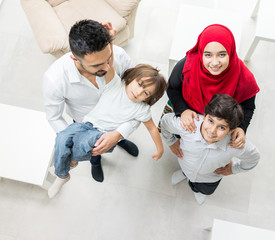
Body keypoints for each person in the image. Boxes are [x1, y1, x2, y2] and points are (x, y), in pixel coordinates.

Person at [48, 62, 167, 198]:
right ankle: (63, 173)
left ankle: (70, 165)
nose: (139, 92)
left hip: (103, 134)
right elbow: (109, 60)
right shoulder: (115, 83)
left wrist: (160, 149)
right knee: (62, 137)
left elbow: (152, 129)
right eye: (139, 84)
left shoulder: (142, 109)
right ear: (132, 77)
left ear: (149, 98)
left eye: (146, 93)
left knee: (88, 145)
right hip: (85, 124)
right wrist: (108, 41)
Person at [43, 20, 139, 183]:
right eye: (97, 65)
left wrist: (118, 135)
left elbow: (137, 93)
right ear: (75, 58)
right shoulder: (55, 79)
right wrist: (75, 140)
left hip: (119, 117)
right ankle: (95, 162)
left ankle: (121, 142)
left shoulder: (119, 55)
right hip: (86, 126)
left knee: (117, 139)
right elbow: (54, 117)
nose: (108, 68)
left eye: (108, 59)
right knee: (95, 151)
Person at [162, 24, 260, 159]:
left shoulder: (244, 78)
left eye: (221, 55)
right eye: (208, 55)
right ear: (201, 52)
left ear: (230, 52)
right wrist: (182, 110)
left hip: (219, 121)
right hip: (187, 112)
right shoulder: (187, 66)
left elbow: (248, 107)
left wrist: (242, 128)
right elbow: (172, 88)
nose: (214, 63)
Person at [161, 94, 260, 205]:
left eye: (222, 127)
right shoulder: (188, 126)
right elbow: (165, 122)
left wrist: (234, 169)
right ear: (204, 115)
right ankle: (185, 174)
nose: (212, 130)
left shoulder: (234, 144)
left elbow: (254, 158)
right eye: (211, 121)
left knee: (205, 190)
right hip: (186, 165)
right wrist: (171, 141)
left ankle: (198, 190)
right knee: (187, 170)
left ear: (230, 131)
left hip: (210, 179)